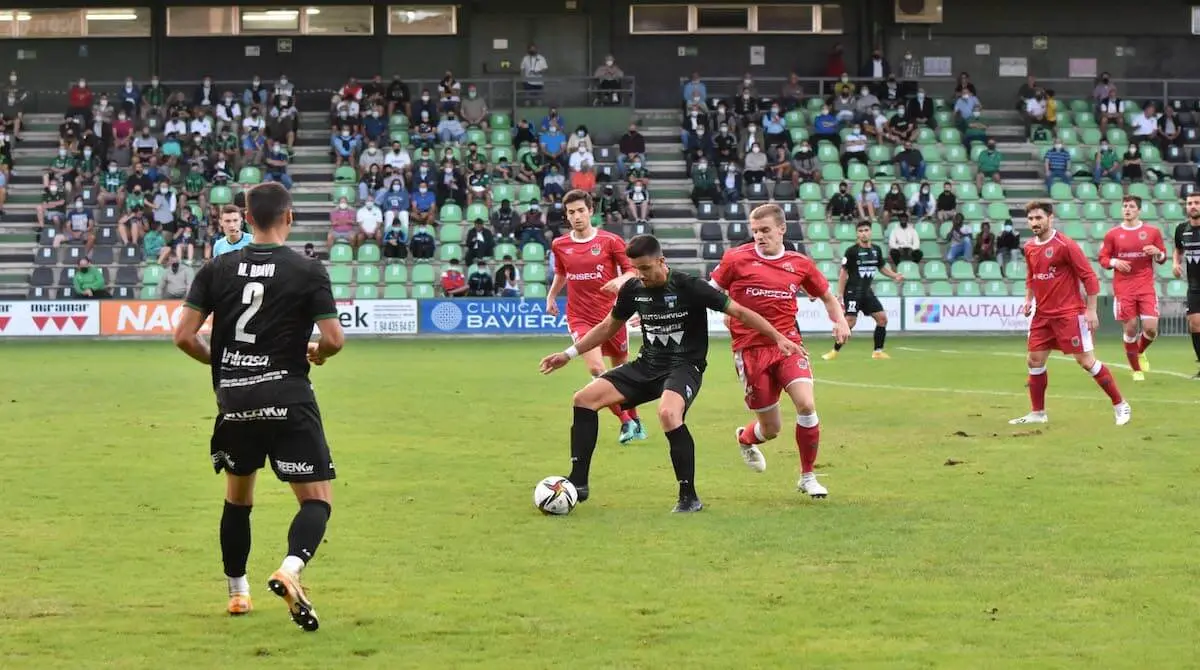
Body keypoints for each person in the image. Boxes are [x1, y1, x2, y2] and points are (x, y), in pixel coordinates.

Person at [172, 182, 345, 631]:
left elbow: (184, 337)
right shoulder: (307, 270)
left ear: (246, 220)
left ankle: (237, 594)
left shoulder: (216, 268)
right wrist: (319, 354)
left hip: (236, 400)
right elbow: (332, 340)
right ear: (289, 218)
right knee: (317, 501)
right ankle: (290, 568)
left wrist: (224, 362)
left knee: (238, 499)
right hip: (288, 397)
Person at [538, 234, 804, 513]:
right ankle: (578, 482)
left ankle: (688, 496)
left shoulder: (690, 286)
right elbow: (607, 327)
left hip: (684, 366)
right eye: (636, 269)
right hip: (646, 365)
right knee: (583, 398)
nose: (640, 275)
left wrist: (777, 337)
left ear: (661, 261)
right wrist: (567, 355)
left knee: (668, 414)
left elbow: (739, 311)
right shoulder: (632, 289)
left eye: (645, 268)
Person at [709, 204, 851, 497]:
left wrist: (839, 321)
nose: (759, 236)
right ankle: (745, 438)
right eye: (755, 231)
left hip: (788, 344)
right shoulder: (736, 259)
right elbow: (708, 291)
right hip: (749, 350)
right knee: (770, 429)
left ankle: (807, 476)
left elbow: (826, 296)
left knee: (807, 405)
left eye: (765, 231)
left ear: (782, 229)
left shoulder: (799, 264)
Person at [1009, 200, 1130, 426]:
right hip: (1042, 315)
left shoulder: (1065, 245)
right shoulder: (1029, 247)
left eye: (1039, 218)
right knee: (1034, 361)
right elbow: (1031, 276)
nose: (1034, 222)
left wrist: (1091, 310)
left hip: (1069, 314)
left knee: (1086, 361)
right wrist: (1028, 300)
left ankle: (1120, 404)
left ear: (1050, 218)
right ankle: (1038, 413)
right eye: (1031, 219)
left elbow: (1089, 277)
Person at [545, 189, 646, 444]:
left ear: (591, 211)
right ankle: (625, 423)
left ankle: (636, 420)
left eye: (581, 210)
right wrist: (551, 296)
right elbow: (561, 273)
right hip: (580, 316)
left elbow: (632, 270)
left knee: (622, 370)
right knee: (595, 368)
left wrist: (620, 280)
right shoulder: (560, 244)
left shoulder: (610, 241)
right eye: (571, 212)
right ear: (566, 216)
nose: (576, 216)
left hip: (612, 316)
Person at [1098, 195, 1166, 381]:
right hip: (1124, 288)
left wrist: (1157, 253)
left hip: (1145, 286)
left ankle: (1140, 351)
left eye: (1131, 206)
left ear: (1139, 210)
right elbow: (1103, 258)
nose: (1127, 209)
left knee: (1151, 329)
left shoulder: (1152, 232)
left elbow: (1162, 257)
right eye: (1125, 206)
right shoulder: (1113, 234)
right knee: (1130, 329)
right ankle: (1136, 370)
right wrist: (1114, 261)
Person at [822, 221, 903, 360]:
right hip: (852, 292)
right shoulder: (852, 251)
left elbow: (882, 267)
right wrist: (840, 294)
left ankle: (877, 352)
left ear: (871, 232)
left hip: (867, 292)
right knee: (850, 322)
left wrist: (894, 275)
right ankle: (834, 351)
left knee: (882, 319)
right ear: (857, 234)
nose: (864, 233)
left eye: (866, 230)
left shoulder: (876, 250)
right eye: (860, 231)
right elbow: (843, 273)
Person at [1174, 193, 1200, 376]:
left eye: (1197, 203)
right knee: (1194, 324)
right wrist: (1175, 263)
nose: (1193, 206)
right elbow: (1178, 249)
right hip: (1194, 286)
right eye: (1190, 203)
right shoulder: (1181, 229)